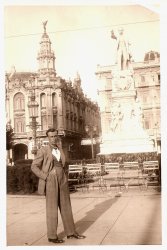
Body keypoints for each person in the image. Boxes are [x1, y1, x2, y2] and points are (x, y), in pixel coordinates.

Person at [31, 128, 86, 244]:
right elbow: (34, 166)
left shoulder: (60, 149)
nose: (53, 138)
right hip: (51, 180)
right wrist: (45, 176)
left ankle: (71, 233)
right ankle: (52, 236)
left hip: (62, 179)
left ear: (57, 136)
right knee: (52, 209)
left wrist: (64, 175)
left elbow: (63, 163)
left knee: (66, 206)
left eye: (55, 136)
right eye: (51, 136)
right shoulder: (43, 150)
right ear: (47, 137)